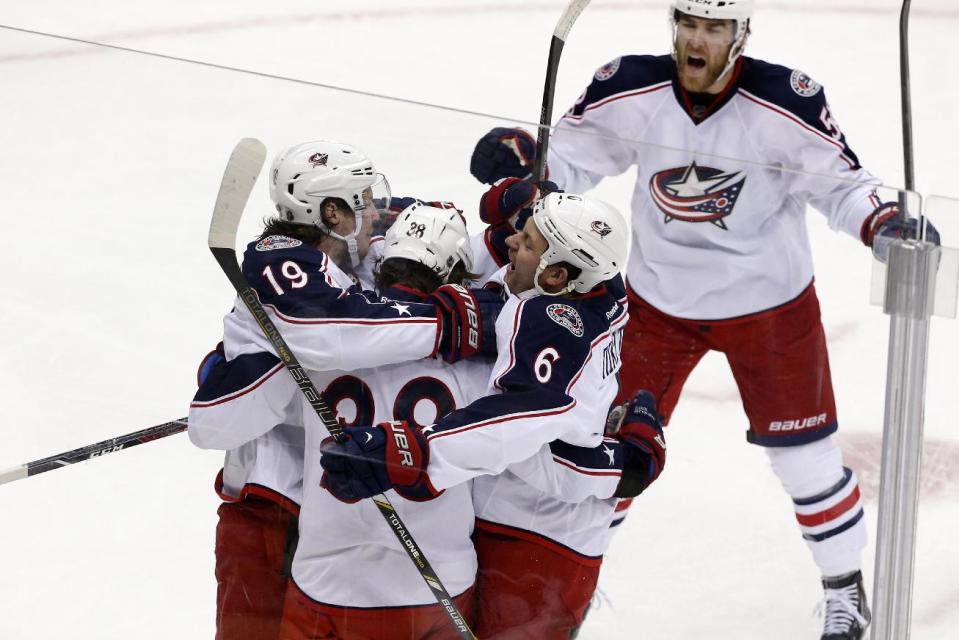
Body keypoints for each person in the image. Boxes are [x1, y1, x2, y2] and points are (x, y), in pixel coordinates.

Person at [468, 2, 942, 638]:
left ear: (740, 35)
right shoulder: (628, 84)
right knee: (603, 449)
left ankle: (844, 590)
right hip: (656, 304)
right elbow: (569, 163)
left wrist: (884, 220)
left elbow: (843, 184)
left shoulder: (785, 101)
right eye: (688, 23)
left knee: (804, 459)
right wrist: (527, 164)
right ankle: (574, 576)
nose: (697, 39)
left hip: (768, 306)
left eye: (713, 28)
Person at [188, 140, 502, 640]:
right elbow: (326, 334)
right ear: (332, 213)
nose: (376, 210)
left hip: (325, 510)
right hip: (270, 500)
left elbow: (426, 235)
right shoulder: (281, 257)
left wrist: (505, 232)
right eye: (364, 198)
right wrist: (446, 321)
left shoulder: (352, 254)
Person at [320, 191, 669, 638]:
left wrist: (415, 452)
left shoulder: (550, 320)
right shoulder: (601, 281)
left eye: (525, 242)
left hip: (537, 539)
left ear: (558, 275)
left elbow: (524, 414)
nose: (510, 245)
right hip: (517, 520)